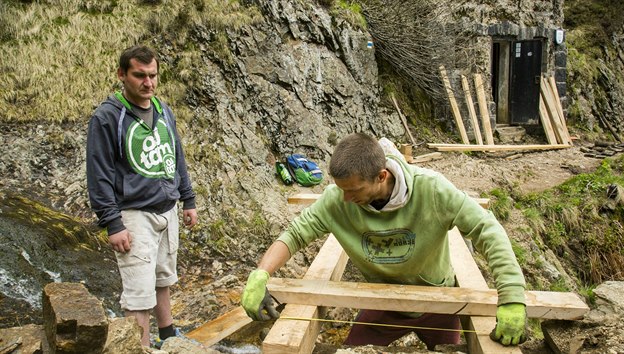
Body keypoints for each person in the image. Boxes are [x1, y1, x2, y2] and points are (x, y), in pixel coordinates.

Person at [241, 133, 527, 349]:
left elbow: (486, 229)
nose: (345, 198)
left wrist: (512, 298)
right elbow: (294, 234)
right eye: (341, 190)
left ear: (382, 175)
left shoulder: (432, 190)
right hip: (382, 304)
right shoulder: (337, 200)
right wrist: (260, 274)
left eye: (353, 190)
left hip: (439, 303)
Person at [86, 45, 197, 347]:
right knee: (138, 293)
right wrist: (113, 223)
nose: (148, 83)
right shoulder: (107, 118)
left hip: (167, 209)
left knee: (163, 278)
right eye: (139, 76)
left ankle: (169, 334)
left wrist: (188, 200)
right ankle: (140, 348)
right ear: (122, 75)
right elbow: (99, 176)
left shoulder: (162, 110)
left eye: (153, 76)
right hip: (133, 215)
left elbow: (176, 157)